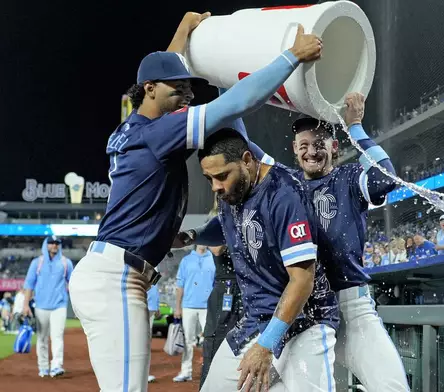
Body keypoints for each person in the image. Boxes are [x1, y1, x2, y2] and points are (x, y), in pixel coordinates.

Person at [67, 10, 324, 391]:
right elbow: (235, 103)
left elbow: (159, 74)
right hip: (115, 280)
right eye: (178, 92)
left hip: (114, 269)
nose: (184, 99)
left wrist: (182, 32)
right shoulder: (159, 132)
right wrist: (291, 56)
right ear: (151, 89)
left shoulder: (131, 128)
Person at [248, 93, 410, 390]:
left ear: (335, 147)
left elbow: (386, 177)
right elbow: (244, 149)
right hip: (306, 316)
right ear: (294, 150)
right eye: (304, 145)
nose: (312, 151)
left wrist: (356, 126)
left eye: (320, 144)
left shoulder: (349, 177)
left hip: (352, 309)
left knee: (393, 388)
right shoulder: (287, 187)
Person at [181, 128, 339, 391]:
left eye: (221, 176)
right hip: (256, 321)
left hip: (305, 324)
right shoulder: (233, 191)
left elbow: (302, 280)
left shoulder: (285, 193)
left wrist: (266, 344)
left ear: (246, 159)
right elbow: (228, 224)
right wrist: (190, 236)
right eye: (209, 178)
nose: (216, 187)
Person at [23, 236, 73, 378]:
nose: (54, 245)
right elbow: (29, 285)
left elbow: (72, 283)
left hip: (59, 305)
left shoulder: (66, 263)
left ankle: (56, 366)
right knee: (42, 338)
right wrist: (25, 304)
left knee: (57, 337)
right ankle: (43, 367)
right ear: (46, 245)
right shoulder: (37, 262)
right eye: (51, 243)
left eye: (57, 243)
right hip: (40, 306)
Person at [200, 223, 242, 389]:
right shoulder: (219, 223)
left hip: (247, 289)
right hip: (225, 290)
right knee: (215, 345)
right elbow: (217, 249)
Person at [173, 245, 215, 382]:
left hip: (208, 306)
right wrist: (177, 307)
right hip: (188, 306)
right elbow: (180, 285)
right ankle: (186, 371)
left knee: (210, 340)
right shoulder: (186, 260)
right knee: (187, 341)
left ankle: (211, 372)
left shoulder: (213, 259)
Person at [146, 284, 160, 383]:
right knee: (140, 341)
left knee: (146, 342)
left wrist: (157, 305)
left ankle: (143, 373)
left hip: (151, 307)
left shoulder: (155, 269)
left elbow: (155, 288)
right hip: (144, 306)